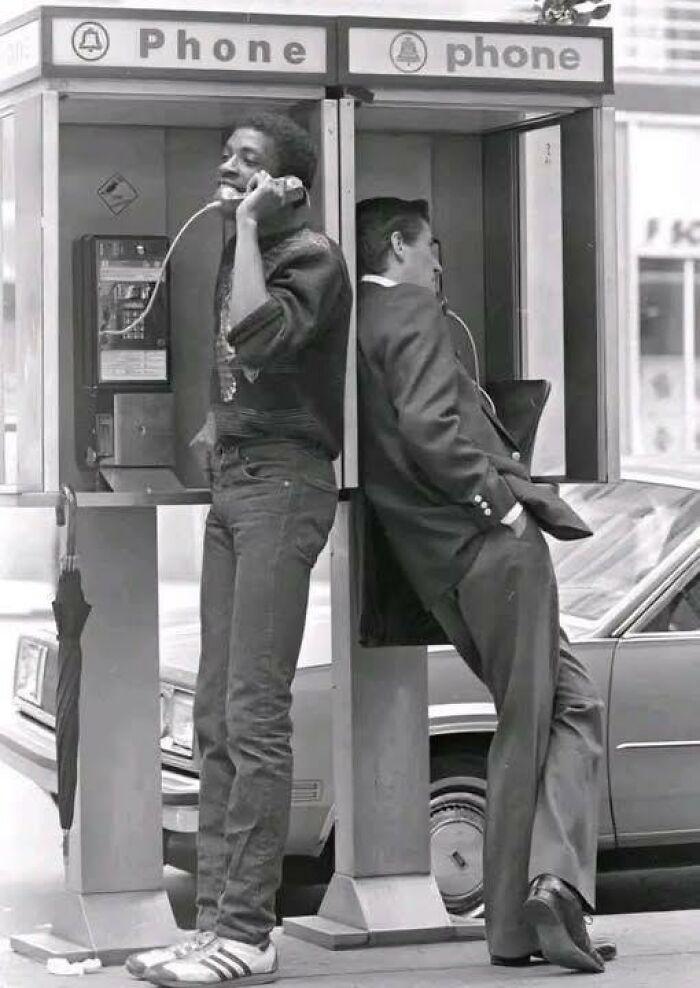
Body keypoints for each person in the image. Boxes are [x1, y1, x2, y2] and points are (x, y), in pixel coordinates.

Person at [355, 197, 615, 973]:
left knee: (575, 706)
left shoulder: (361, 320)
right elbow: (432, 429)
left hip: (438, 565)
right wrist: (498, 504)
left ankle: (552, 890)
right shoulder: (415, 312)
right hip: (490, 551)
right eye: (430, 246)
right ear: (399, 246)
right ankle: (519, 916)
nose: (439, 262)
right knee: (526, 732)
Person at [126, 113, 352, 987]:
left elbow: (259, 336)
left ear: (287, 184)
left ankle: (250, 933)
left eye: (248, 161)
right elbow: (244, 366)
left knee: (256, 711)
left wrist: (252, 227)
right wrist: (216, 424)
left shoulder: (311, 255)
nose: (227, 167)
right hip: (237, 478)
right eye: (228, 155)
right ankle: (213, 922)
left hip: (286, 486)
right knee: (218, 712)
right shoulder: (244, 244)